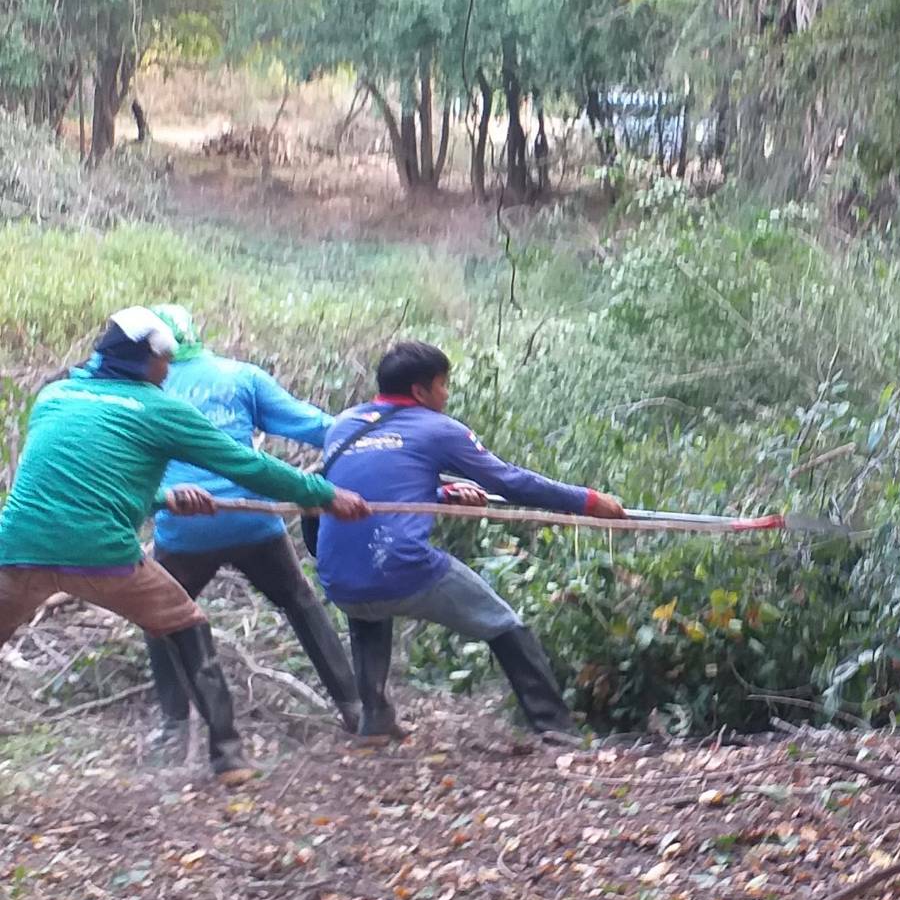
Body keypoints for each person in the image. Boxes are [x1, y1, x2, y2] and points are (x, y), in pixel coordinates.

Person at [0, 308, 370, 783]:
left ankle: (176, 730)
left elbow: (83, 482)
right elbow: (247, 465)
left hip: (15, 550)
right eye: (164, 361)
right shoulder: (161, 409)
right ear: (145, 360)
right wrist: (324, 494)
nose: (169, 369)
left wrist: (162, 497)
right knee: (185, 623)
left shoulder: (54, 396)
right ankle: (228, 756)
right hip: (104, 555)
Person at [316, 340, 626, 742]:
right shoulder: (438, 428)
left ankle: (374, 722)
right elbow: (509, 481)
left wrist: (441, 494)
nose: (446, 395)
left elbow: (370, 487)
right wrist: (587, 501)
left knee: (367, 601)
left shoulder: (342, 425)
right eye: (442, 385)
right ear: (420, 390)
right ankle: (556, 728)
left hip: (337, 576)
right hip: (402, 567)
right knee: (503, 622)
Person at [142, 305, 359, 763]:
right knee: (299, 601)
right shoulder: (240, 376)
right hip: (252, 522)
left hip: (185, 529)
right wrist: (374, 437)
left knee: (161, 618)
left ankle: (175, 728)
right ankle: (355, 708)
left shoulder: (143, 390)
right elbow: (313, 425)